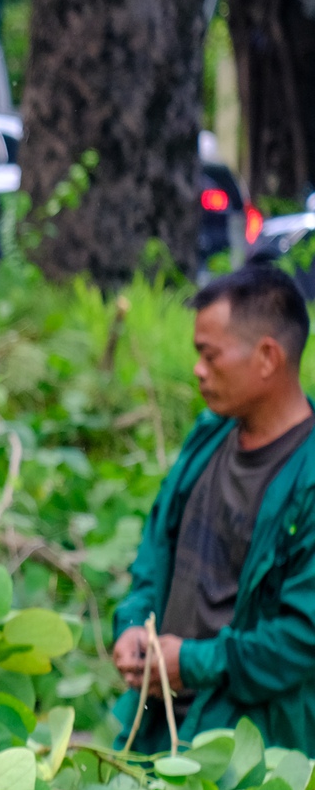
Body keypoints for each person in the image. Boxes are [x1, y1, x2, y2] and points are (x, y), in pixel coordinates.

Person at [111, 266, 315, 751]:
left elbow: (303, 638)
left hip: (249, 749)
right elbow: (158, 544)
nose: (199, 370)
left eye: (210, 355)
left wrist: (198, 663)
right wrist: (136, 622)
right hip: (159, 723)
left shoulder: (307, 478)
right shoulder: (210, 434)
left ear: (267, 357)